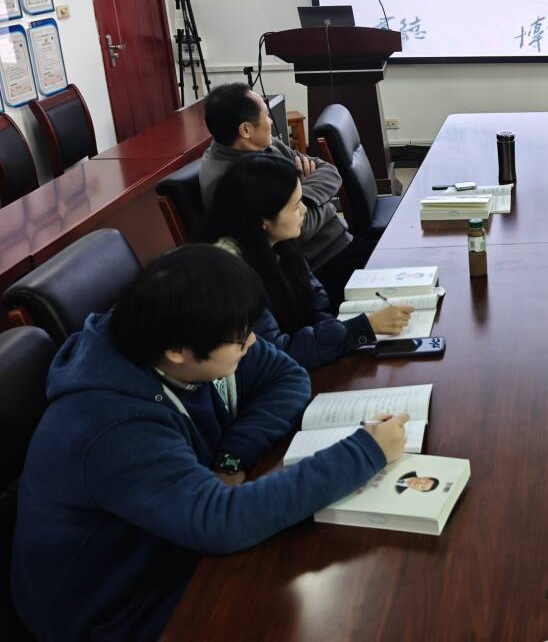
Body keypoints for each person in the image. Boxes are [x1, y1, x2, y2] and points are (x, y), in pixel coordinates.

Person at [10, 245, 410, 642]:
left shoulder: (188, 332)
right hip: (116, 610)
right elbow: (221, 521)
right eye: (239, 340)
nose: (251, 344)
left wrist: (231, 458)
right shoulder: (111, 427)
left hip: (173, 543)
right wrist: (364, 451)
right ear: (177, 352)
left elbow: (286, 376)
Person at [200, 154, 411, 368]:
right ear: (263, 220)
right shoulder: (231, 275)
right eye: (295, 206)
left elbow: (315, 300)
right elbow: (277, 353)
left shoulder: (278, 242)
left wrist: (341, 333)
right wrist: (363, 327)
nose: (304, 210)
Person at [199, 83, 363, 300]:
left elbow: (330, 171)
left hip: (340, 243)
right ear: (245, 130)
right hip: (316, 268)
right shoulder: (230, 181)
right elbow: (295, 232)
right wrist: (324, 203)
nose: (271, 122)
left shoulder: (265, 145)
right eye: (266, 116)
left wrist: (297, 197)